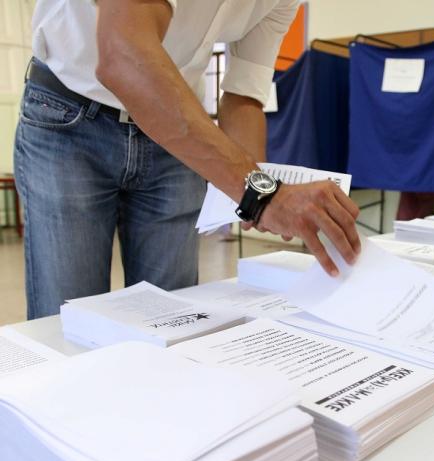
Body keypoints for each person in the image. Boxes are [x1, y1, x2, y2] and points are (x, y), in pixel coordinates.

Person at [15, 0, 361, 320]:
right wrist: (263, 194)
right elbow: (123, 55)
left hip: (174, 130)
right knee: (68, 317)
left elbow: (244, 95)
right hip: (70, 111)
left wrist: (258, 204)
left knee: (170, 318)